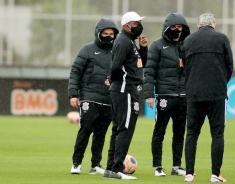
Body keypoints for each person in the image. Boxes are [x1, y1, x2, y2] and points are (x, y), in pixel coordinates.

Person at [182, 12, 233, 182]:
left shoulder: (188, 40)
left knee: (191, 134)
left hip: (194, 94)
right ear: (214, 24)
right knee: (217, 134)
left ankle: (189, 174)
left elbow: (182, 68)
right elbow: (229, 66)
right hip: (216, 94)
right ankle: (215, 174)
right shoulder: (222, 38)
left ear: (198, 25)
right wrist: (220, 83)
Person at [68, 18, 119, 175]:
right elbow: (75, 72)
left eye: (112, 34)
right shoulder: (87, 50)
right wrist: (73, 94)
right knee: (85, 129)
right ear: (98, 33)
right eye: (105, 33)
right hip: (89, 97)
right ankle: (76, 163)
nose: (109, 36)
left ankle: (95, 165)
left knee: (101, 133)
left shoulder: (117, 51)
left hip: (109, 98)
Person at [143, 13, 191, 177]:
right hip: (164, 96)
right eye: (174, 27)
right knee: (159, 132)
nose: (177, 30)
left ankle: (177, 166)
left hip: (183, 97)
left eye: (180, 27)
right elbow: (149, 72)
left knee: (179, 133)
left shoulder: (186, 46)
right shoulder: (157, 46)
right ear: (167, 28)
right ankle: (158, 166)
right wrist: (149, 94)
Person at [103, 11, 148, 180]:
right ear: (127, 25)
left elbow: (140, 65)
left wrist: (143, 49)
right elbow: (116, 66)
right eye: (136, 23)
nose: (139, 26)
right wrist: (112, 79)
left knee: (118, 129)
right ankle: (116, 169)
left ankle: (110, 168)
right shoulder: (123, 41)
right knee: (124, 129)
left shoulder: (129, 41)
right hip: (124, 89)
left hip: (124, 89)